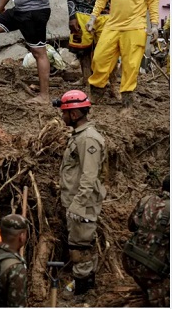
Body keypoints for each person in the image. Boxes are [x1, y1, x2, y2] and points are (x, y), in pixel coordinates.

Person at [86, 0, 160, 109]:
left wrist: (154, 25)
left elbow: (153, 0)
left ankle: (127, 102)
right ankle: (96, 94)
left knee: (131, 65)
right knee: (99, 59)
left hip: (136, 26)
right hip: (113, 24)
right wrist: (93, 17)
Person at [55, 90, 106, 301]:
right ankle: (84, 283)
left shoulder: (88, 139)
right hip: (76, 201)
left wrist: (78, 205)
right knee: (79, 243)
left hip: (81, 204)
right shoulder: (80, 136)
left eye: (64, 112)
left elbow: (89, 176)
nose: (62, 116)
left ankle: (83, 293)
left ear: (74, 115)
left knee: (80, 247)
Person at [122, 175, 170, 307]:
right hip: (151, 269)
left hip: (129, 260)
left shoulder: (146, 200)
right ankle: (157, 295)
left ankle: (150, 290)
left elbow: (131, 226)